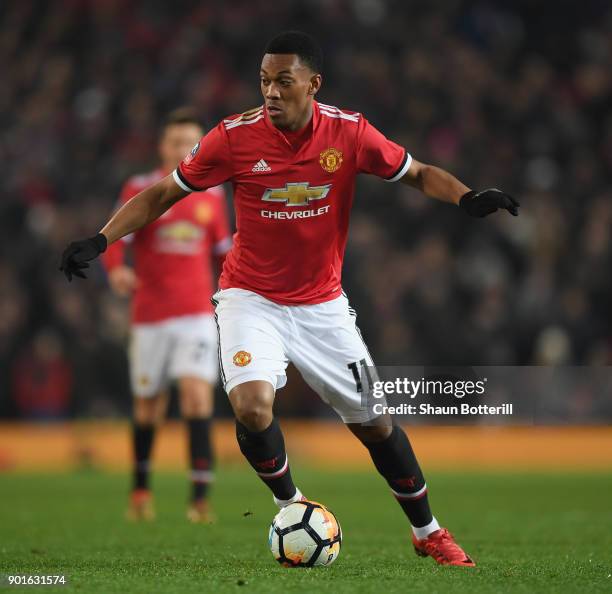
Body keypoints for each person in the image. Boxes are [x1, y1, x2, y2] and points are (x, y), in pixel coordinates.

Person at [61, 31, 519, 566]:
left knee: (377, 422)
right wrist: (102, 239)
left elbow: (415, 172)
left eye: (283, 81)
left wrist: (465, 196)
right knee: (252, 407)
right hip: (247, 299)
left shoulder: (350, 132)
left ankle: (429, 532)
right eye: (263, 81)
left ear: (313, 84)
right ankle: (292, 505)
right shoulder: (232, 137)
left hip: (325, 305)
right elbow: (164, 192)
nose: (271, 92)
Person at [101, 108, 232, 523]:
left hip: (195, 314)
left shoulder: (211, 194)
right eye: (176, 142)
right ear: (163, 146)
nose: (183, 150)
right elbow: (117, 236)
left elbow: (223, 252)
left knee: (196, 397)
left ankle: (200, 500)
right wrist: (116, 269)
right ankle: (140, 492)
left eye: (191, 143)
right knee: (148, 408)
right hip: (150, 316)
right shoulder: (141, 187)